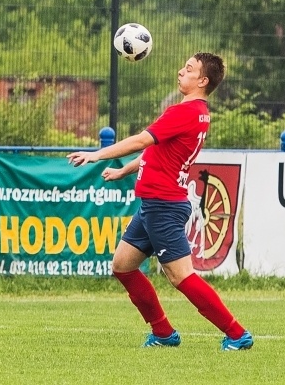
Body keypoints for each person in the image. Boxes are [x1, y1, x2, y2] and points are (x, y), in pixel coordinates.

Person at [67, 52, 253, 351]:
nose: (181, 71)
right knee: (123, 266)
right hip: (155, 203)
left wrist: (96, 154)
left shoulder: (185, 112)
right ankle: (163, 333)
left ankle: (236, 333)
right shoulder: (196, 111)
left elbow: (143, 140)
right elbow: (156, 151)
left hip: (164, 204)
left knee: (180, 276)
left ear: (203, 80)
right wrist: (123, 171)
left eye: (189, 69)